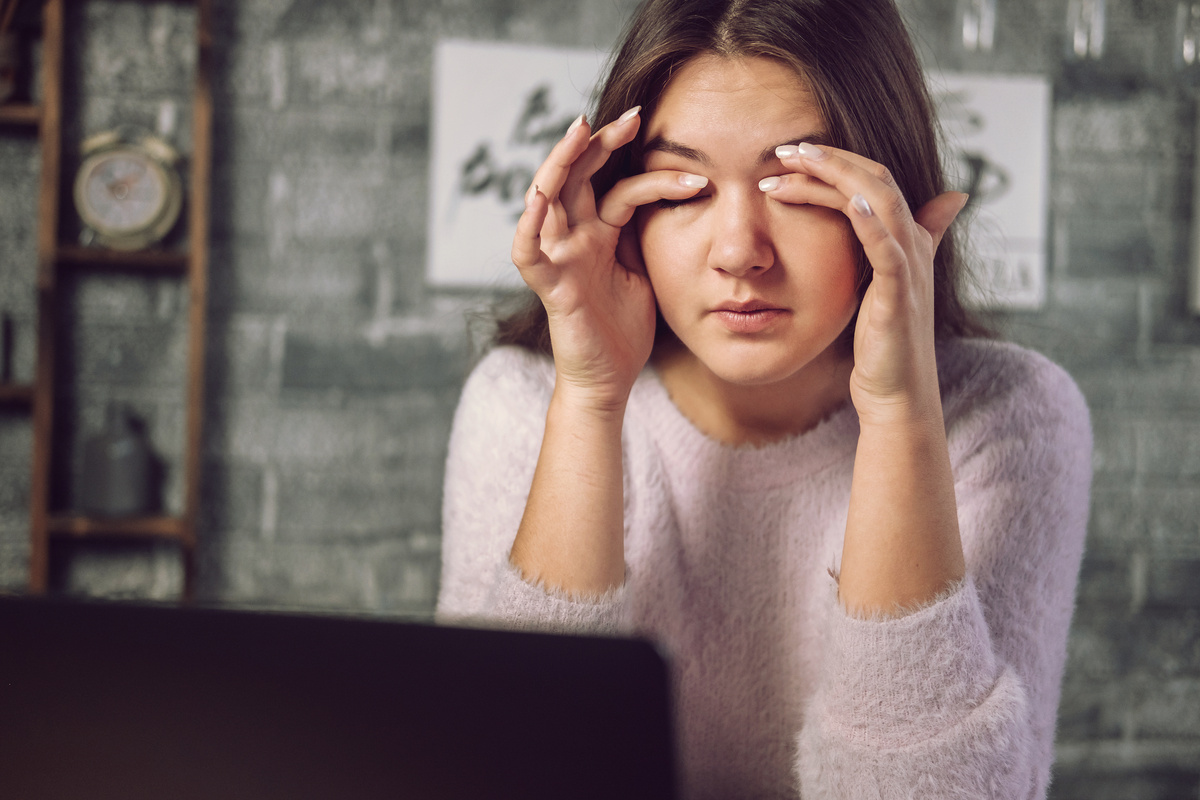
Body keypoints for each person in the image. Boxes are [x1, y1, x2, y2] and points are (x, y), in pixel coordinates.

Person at [436, 0, 1093, 797]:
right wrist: (588, 397)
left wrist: (897, 414)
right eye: (684, 189)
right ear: (623, 207)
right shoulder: (518, 404)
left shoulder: (1010, 416)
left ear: (890, 192)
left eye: (794, 183)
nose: (739, 252)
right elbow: (495, 774)